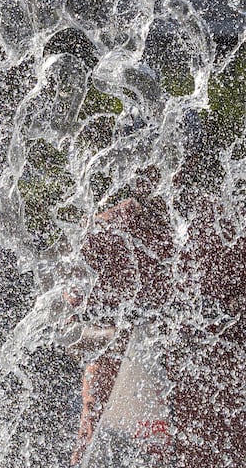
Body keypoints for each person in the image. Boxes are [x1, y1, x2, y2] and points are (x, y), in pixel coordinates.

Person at [69, 124, 246, 468]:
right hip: (118, 430)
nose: (150, 169)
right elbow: (71, 335)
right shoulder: (103, 234)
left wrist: (203, 332)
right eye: (140, 157)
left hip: (214, 436)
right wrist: (125, 338)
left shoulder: (226, 230)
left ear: (187, 160)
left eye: (163, 156)